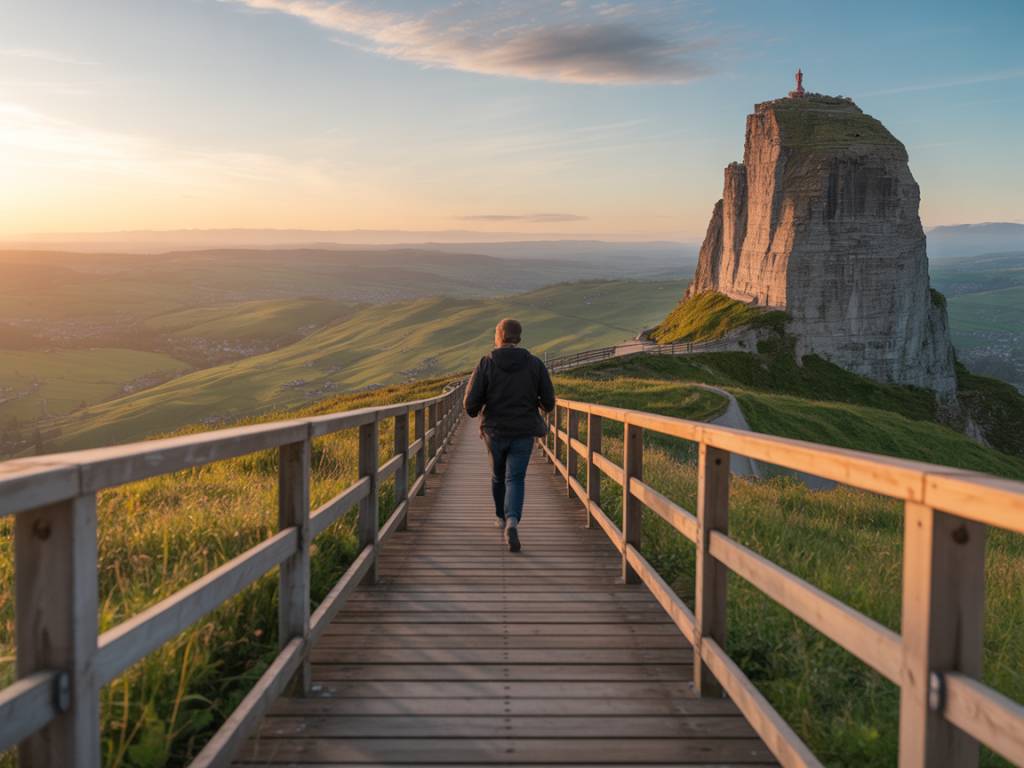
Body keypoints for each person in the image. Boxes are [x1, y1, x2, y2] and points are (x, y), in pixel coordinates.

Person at [464, 318, 555, 552]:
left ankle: (500, 517)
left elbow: (470, 405)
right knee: (516, 478)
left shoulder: (486, 363)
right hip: (523, 430)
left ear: (499, 336)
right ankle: (512, 521)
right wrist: (535, 402)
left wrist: (481, 407)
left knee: (498, 476)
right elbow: (549, 402)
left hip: (494, 431)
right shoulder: (534, 364)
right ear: (519, 338)